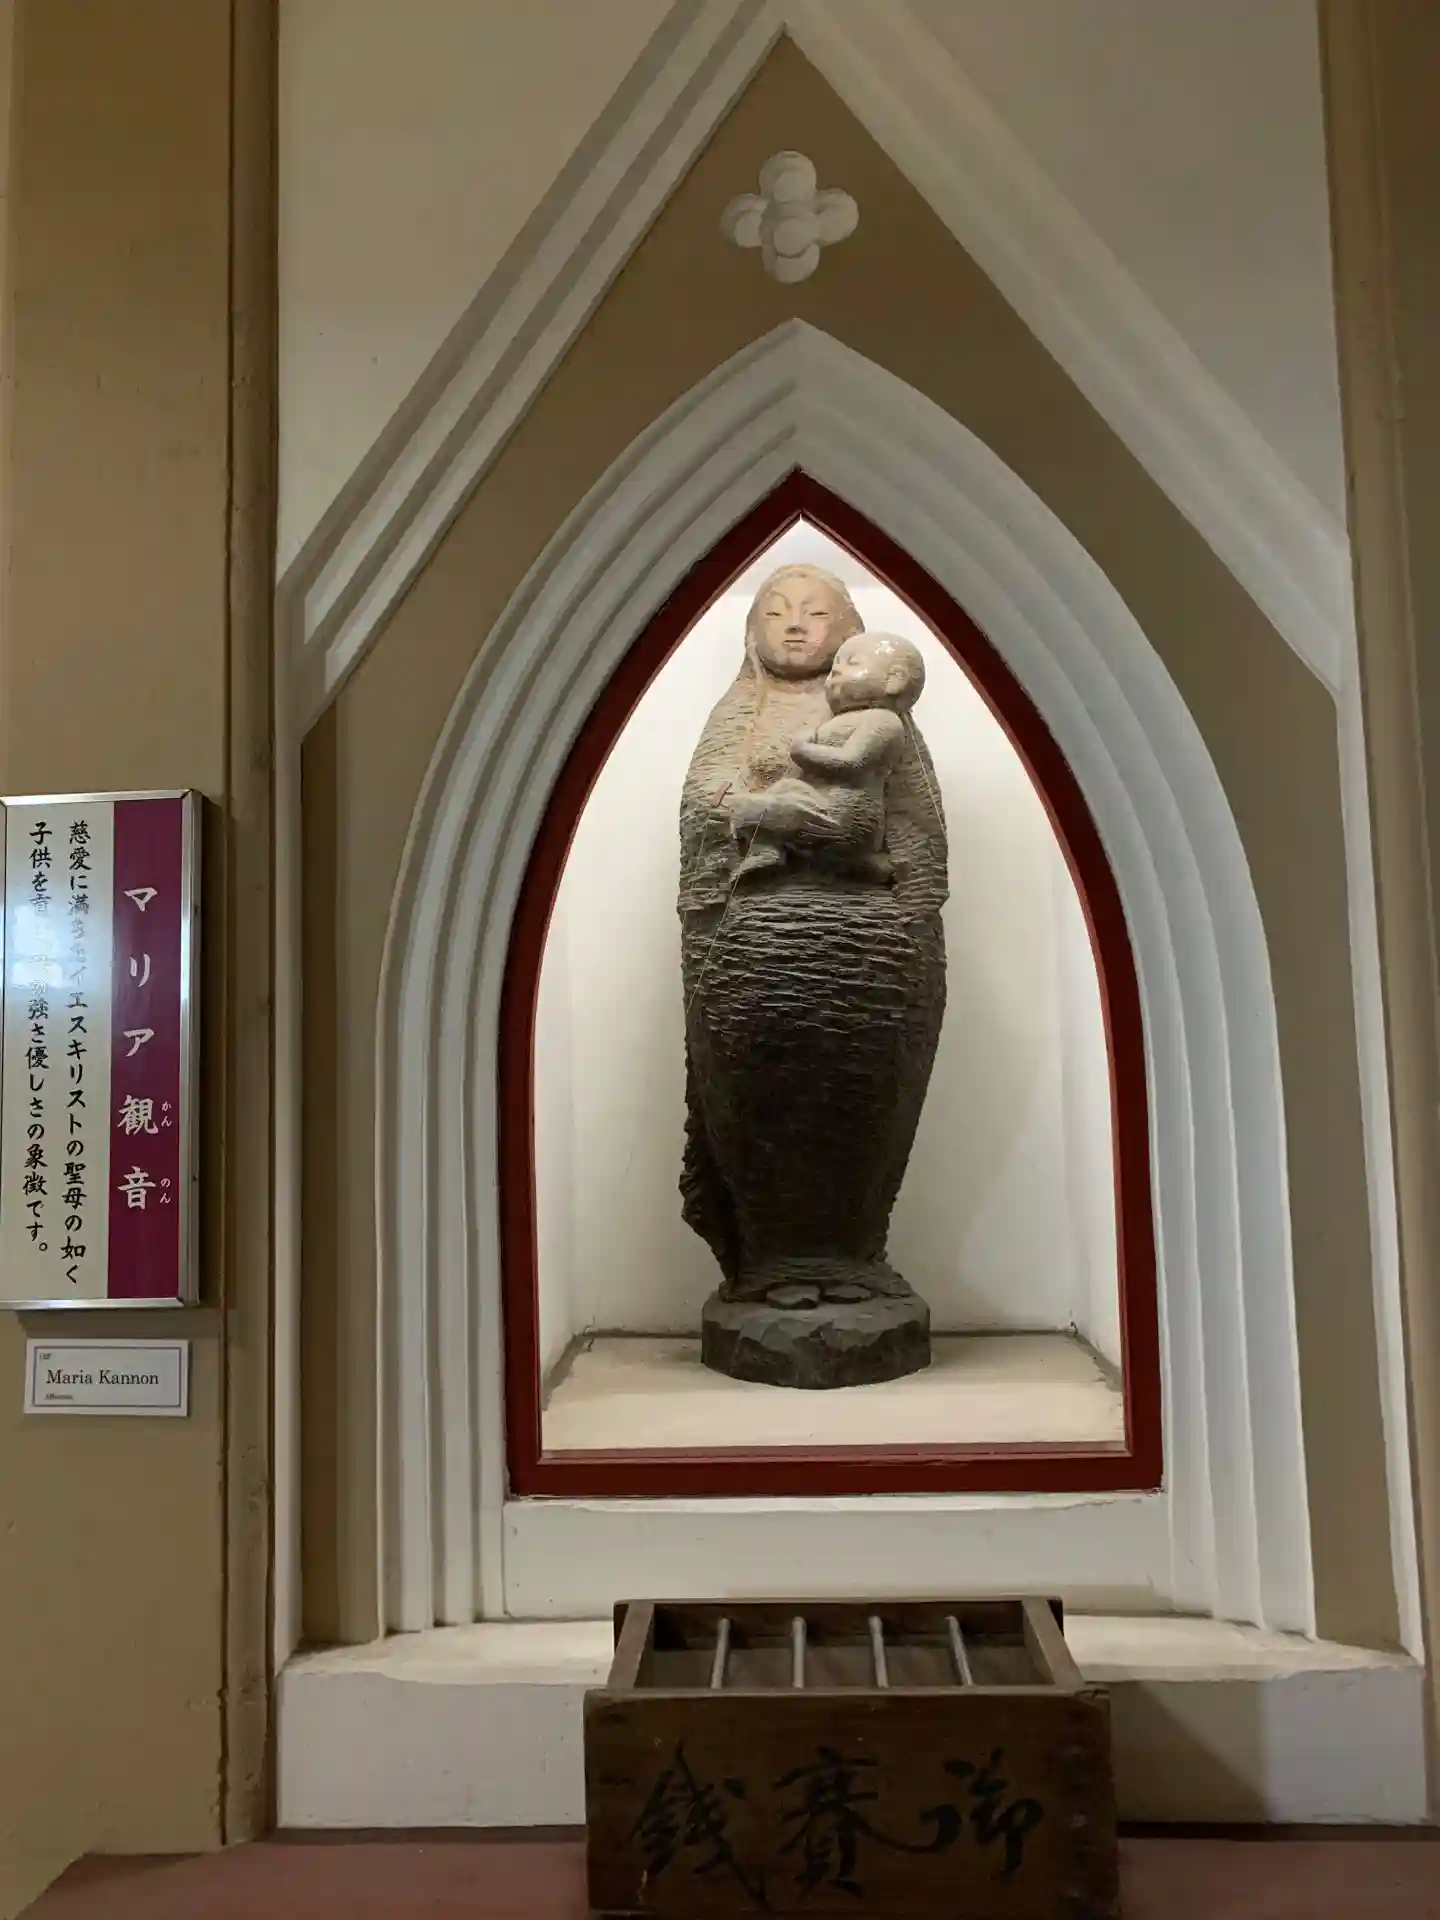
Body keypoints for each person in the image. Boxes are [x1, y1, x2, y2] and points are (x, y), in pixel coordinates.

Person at [727, 631, 926, 885]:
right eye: (834, 667)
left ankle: (857, 858)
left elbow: (852, 762)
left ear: (894, 680)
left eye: (852, 663)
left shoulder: (883, 720)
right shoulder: (843, 719)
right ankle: (767, 850)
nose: (836, 672)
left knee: (743, 809)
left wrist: (803, 750)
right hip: (822, 807)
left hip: (846, 818)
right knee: (785, 788)